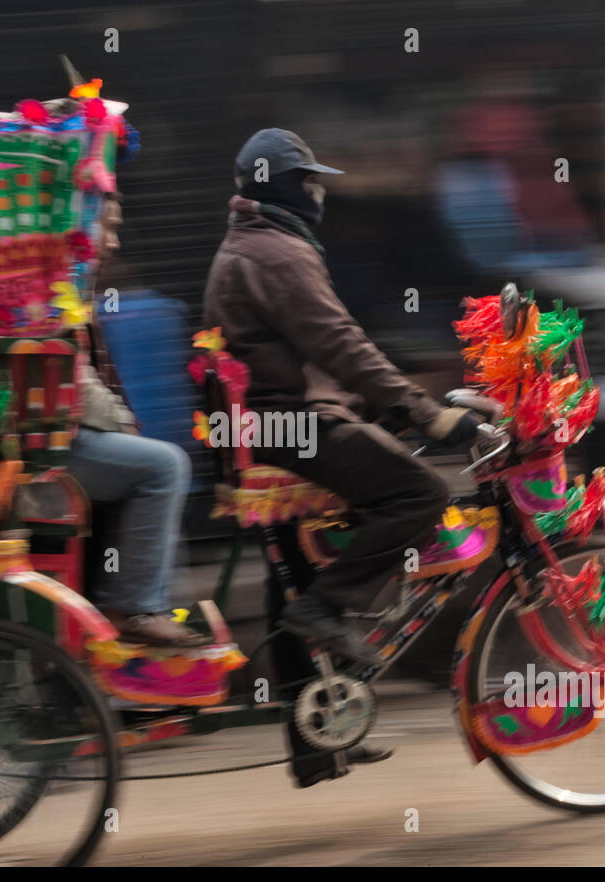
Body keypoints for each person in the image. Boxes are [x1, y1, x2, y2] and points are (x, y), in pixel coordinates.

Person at [203, 128, 491, 786]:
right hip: (289, 428)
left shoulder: (259, 242)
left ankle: (315, 740)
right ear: (278, 184)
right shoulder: (276, 252)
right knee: (420, 493)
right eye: (308, 180)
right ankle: (329, 611)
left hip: (268, 425)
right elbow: (342, 346)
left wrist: (398, 410)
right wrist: (426, 415)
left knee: (294, 579)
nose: (319, 191)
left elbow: (327, 359)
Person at [67, 194, 205, 648]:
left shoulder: (74, 289)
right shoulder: (53, 290)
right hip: (43, 449)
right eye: (106, 228)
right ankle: (137, 607)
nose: (113, 242)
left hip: (49, 442)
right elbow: (72, 381)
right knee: (163, 467)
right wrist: (123, 424)